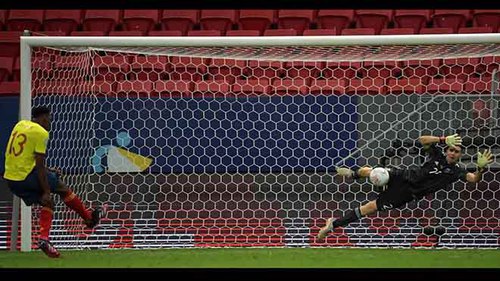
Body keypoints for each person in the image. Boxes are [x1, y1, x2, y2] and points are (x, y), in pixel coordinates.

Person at [317, 133, 494, 240]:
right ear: (447, 149)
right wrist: (442, 139)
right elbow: (423, 140)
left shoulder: (457, 171)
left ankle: (332, 225)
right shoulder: (438, 154)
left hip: (408, 193)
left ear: (459, 155)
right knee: (376, 172)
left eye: (457, 152)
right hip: (405, 176)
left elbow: (474, 179)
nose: (453, 153)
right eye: (451, 150)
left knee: (369, 208)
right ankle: (354, 174)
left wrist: (480, 168)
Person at [3, 106, 106, 258]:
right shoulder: (41, 133)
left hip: (11, 179)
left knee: (49, 204)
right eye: (49, 119)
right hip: (25, 176)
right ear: (44, 118)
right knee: (61, 188)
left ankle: (44, 239)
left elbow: (25, 157)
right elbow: (38, 165)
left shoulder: (20, 125)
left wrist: (49, 170)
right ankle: (89, 218)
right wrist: (46, 191)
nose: (49, 122)